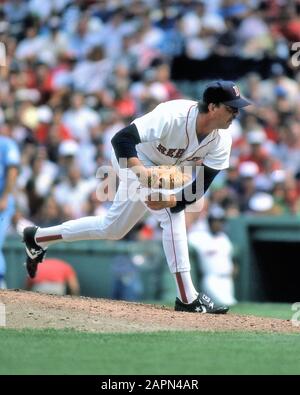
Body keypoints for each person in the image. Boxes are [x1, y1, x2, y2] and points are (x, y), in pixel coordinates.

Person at [22, 80, 251, 314]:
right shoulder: (174, 115)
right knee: (173, 216)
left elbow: (201, 185)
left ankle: (38, 237)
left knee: (113, 228)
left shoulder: (222, 139)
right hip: (132, 159)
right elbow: (121, 140)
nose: (236, 113)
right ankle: (188, 298)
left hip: (158, 171)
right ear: (212, 107)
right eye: (231, 108)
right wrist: (143, 174)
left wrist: (172, 200)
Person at [189, 207, 238, 307]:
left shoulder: (224, 238)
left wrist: (234, 266)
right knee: (228, 303)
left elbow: (230, 257)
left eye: (221, 221)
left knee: (225, 307)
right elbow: (183, 239)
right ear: (210, 222)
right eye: (215, 221)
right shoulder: (199, 237)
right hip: (211, 279)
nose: (218, 224)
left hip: (227, 280)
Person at [0, 133, 20, 289]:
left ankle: (1, 282)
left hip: (2, 202)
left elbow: (12, 172)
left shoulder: (7, 144)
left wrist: (5, 197)